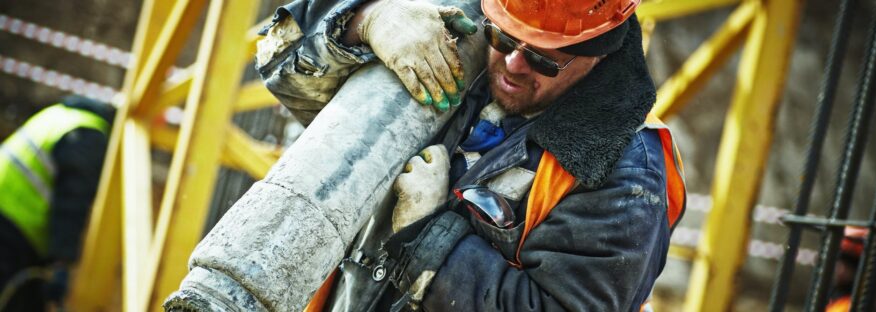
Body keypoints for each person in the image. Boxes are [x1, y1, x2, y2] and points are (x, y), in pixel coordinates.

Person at [256, 0, 686, 310]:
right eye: (504, 38)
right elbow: (280, 62)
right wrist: (366, 21)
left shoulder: (625, 174)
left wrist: (425, 235)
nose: (514, 65)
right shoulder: (458, 28)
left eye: (543, 60)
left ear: (598, 55)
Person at [0, 96, 114, 311]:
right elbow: (71, 204)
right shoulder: (90, 134)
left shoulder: (59, 114)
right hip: (13, 228)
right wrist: (61, 262)